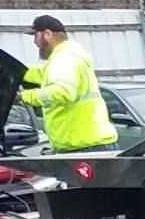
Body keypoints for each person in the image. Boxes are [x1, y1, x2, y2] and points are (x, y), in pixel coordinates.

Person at [18, 15, 117, 153]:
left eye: (35, 36)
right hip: (89, 143)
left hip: (83, 146)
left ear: (47, 34)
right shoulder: (68, 54)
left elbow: (63, 91)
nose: (35, 42)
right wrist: (17, 72)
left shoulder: (64, 57)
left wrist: (25, 97)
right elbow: (44, 74)